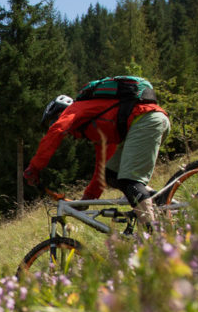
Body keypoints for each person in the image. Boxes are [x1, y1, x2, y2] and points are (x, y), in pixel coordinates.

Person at [23, 83, 171, 217]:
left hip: (146, 120)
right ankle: (166, 202)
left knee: (129, 181)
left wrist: (34, 167)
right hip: (149, 121)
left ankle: (154, 236)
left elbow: (57, 130)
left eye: (53, 121)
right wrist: (86, 200)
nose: (54, 125)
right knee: (111, 174)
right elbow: (102, 170)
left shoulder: (75, 109)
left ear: (60, 112)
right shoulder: (97, 126)